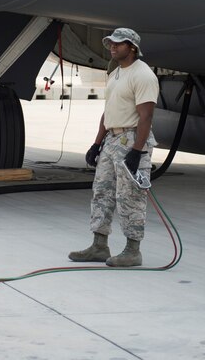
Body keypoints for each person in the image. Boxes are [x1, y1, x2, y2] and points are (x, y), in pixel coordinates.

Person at [69, 28, 159, 267]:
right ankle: (99, 245)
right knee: (102, 191)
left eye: (118, 44)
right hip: (111, 139)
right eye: (110, 43)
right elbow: (108, 111)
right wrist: (97, 143)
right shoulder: (116, 73)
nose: (112, 47)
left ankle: (132, 250)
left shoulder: (143, 75)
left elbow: (146, 116)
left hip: (131, 139)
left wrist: (137, 152)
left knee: (130, 196)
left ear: (132, 47)